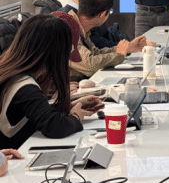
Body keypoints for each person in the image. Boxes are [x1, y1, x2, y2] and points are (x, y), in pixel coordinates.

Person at [0, 15, 103, 150]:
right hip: (14, 157)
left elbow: (33, 112)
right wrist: (76, 116)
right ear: (55, 51)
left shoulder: (12, 72)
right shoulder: (23, 85)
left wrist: (69, 106)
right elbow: (55, 127)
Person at [68, 0, 147, 79]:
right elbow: (90, 65)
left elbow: (95, 53)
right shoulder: (67, 28)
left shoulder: (78, 25)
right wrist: (118, 55)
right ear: (102, 14)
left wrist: (127, 48)